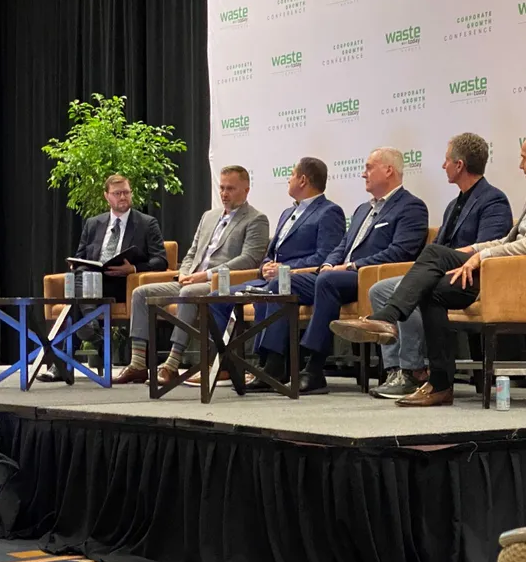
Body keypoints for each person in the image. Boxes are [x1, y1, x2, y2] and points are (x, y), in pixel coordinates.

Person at [330, 129, 526, 407]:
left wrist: (482, 255)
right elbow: (511, 239)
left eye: (523, 158)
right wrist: (474, 251)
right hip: (504, 269)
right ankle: (438, 384)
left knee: (433, 269)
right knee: (433, 281)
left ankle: (396, 329)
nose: (519, 165)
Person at [368, 132, 513, 399]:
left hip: (474, 276)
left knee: (427, 270)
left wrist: (437, 264)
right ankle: (396, 370)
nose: (442, 165)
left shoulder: (493, 200)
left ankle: (414, 370)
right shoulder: (452, 205)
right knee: (379, 289)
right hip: (442, 274)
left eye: (446, 160)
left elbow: (491, 246)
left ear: (460, 165)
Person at [288, 147, 429, 394]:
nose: (363, 174)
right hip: (339, 276)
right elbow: (343, 244)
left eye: (368, 168)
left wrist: (352, 266)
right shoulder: (363, 209)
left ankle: (313, 367)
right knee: (285, 283)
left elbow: (400, 253)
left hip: (370, 278)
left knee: (328, 281)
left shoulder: (411, 207)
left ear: (389, 170)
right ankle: (272, 364)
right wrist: (330, 264)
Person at [112, 165, 269, 385]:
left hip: (219, 283)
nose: (224, 193)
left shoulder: (256, 219)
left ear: (246, 190)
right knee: (140, 293)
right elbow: (192, 252)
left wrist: (204, 276)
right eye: (222, 188)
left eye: (231, 189)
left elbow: (249, 260)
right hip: (191, 279)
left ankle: (172, 364)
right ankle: (138, 363)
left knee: (188, 291)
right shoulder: (209, 216)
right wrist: (184, 273)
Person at [206, 157, 346, 389]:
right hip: (274, 278)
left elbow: (326, 257)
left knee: (276, 288)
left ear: (303, 180)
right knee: (216, 298)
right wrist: (267, 266)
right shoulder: (286, 213)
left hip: (307, 281)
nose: (288, 179)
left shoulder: (329, 212)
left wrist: (286, 270)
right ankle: (226, 365)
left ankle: (271, 366)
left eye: (291, 175)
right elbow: (270, 254)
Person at [39, 174, 168, 383]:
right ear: (107, 196)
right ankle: (91, 332)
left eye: (126, 192)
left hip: (122, 284)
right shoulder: (93, 223)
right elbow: (80, 257)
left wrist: (133, 268)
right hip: (91, 282)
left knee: (75, 297)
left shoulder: (146, 223)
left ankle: (65, 359)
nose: (123, 197)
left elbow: (161, 260)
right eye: (117, 193)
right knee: (78, 278)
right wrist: (76, 263)